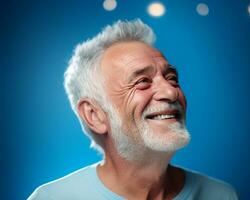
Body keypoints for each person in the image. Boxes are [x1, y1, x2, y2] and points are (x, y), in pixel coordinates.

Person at [28, 19, 238, 200]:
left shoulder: (221, 195)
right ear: (95, 115)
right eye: (142, 81)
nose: (171, 93)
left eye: (172, 78)